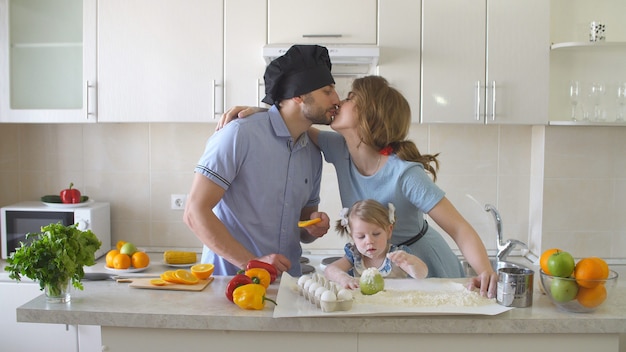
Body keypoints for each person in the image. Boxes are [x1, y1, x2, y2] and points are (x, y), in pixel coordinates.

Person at [219, 75, 498, 298]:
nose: (339, 100)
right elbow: (295, 122)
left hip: (418, 264)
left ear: (369, 115)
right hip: (375, 262)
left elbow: (459, 228)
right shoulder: (338, 148)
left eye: (350, 97)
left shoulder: (404, 174)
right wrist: (262, 114)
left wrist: (484, 271)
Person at [184, 45, 340, 277]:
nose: (336, 99)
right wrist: (252, 263)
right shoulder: (239, 134)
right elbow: (194, 212)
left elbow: (301, 226)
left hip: (285, 285)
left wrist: (312, 226)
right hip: (232, 282)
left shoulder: (312, 152)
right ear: (298, 95)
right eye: (327, 91)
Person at [324, 199, 429, 289]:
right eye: (361, 237)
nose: (369, 241)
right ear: (352, 237)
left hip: (394, 307)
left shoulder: (397, 256)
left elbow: (421, 274)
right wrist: (343, 278)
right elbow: (329, 270)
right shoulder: (355, 256)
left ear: (389, 231)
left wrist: (411, 261)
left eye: (376, 234)